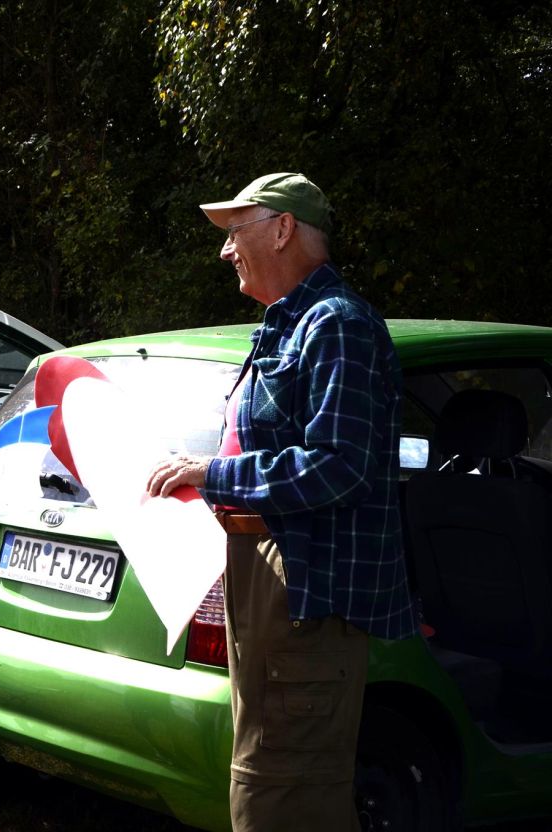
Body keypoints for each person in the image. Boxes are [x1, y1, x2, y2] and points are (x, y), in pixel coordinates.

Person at [145, 173, 416, 832]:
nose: (225, 250)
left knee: (280, 797)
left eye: (235, 231)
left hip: (305, 592)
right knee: (271, 781)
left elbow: (339, 466)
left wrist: (214, 474)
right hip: (269, 582)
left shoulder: (338, 325)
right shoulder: (290, 323)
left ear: (283, 229)